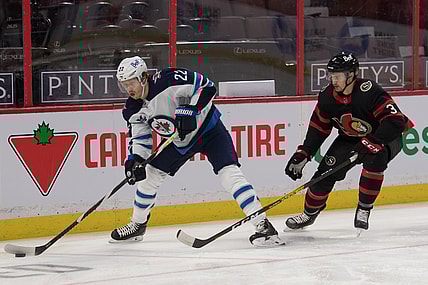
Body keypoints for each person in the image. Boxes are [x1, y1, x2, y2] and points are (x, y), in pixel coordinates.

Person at [110, 56, 285, 247]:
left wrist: (191, 110)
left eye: (132, 82)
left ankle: (263, 227)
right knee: (150, 175)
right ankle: (138, 225)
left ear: (143, 77)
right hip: (179, 140)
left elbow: (208, 87)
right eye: (124, 84)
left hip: (210, 130)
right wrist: (135, 160)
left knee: (230, 174)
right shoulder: (132, 109)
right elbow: (140, 138)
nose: (129, 89)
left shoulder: (169, 80)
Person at [284, 51, 413, 232]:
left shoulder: (370, 92)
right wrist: (304, 153)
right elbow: (318, 128)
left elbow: (395, 121)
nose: (333, 80)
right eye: (331, 76)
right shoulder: (327, 97)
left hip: (386, 136)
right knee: (325, 173)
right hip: (349, 138)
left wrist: (371, 142)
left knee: (375, 158)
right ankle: (309, 214)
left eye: (337, 76)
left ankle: (364, 209)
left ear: (351, 75)